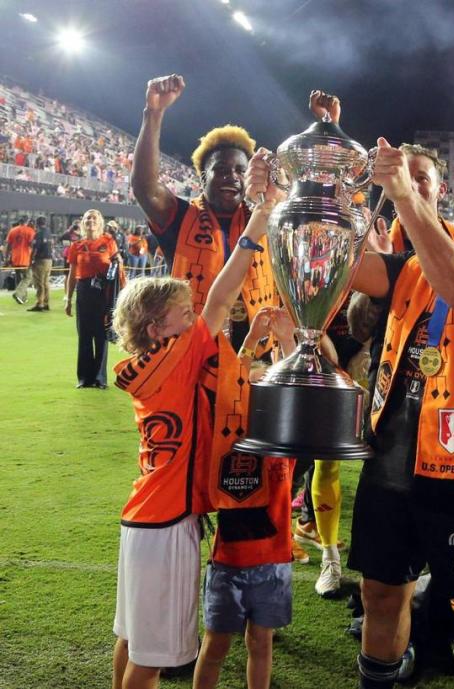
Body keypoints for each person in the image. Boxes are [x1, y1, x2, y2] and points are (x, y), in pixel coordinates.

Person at [253, 127, 454, 687]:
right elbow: (333, 259)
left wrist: (406, 196)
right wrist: (293, 197)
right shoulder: (410, 269)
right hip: (389, 466)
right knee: (381, 597)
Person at [109, 156, 280, 689]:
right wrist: (259, 219)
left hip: (142, 514)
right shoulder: (180, 350)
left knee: (130, 639)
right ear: (159, 325)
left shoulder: (150, 361)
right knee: (152, 660)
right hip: (168, 525)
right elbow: (226, 290)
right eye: (186, 311)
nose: (198, 313)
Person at [192, 306, 299, 689]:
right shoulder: (226, 442)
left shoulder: (281, 442)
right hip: (228, 563)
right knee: (216, 646)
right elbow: (230, 383)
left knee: (261, 643)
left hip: (273, 562)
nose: (252, 389)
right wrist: (252, 338)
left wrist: (287, 339)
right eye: (248, 384)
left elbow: (295, 386)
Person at [131, 74, 277, 333]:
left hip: (259, 353)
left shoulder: (265, 219)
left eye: (239, 170)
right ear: (202, 178)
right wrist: (153, 113)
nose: (231, 176)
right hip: (194, 353)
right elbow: (145, 188)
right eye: (220, 170)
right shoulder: (181, 216)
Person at [65, 210, 123, 389]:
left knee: (101, 334)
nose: (90, 220)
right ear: (83, 222)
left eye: (94, 218)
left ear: (100, 223)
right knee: (84, 334)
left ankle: (100, 378)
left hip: (103, 293)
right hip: (83, 291)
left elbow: (118, 267)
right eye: (87, 218)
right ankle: (84, 378)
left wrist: (121, 293)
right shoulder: (76, 245)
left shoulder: (108, 242)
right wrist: (68, 298)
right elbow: (72, 274)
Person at [27, 216, 53, 311]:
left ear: (37, 224)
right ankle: (46, 302)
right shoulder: (49, 232)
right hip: (49, 260)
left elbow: (35, 249)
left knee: (39, 282)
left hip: (40, 260)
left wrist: (30, 260)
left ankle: (39, 303)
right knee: (46, 282)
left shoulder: (38, 234)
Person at [7, 216, 34, 305]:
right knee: (28, 277)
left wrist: (7, 257)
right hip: (25, 257)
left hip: (15, 257)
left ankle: (22, 297)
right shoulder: (30, 230)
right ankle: (18, 294)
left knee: (19, 278)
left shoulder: (12, 230)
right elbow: (31, 244)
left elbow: (9, 245)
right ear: (26, 222)